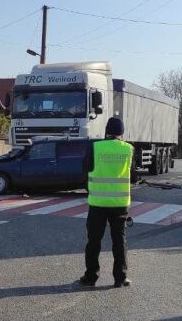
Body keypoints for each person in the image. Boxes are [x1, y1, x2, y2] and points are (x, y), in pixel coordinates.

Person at [79, 117, 133, 288]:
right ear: (121, 133)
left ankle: (91, 277)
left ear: (106, 131)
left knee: (94, 241)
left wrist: (90, 189)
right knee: (119, 241)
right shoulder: (129, 149)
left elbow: (85, 170)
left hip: (98, 202)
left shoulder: (94, 147)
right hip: (120, 203)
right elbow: (132, 174)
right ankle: (120, 278)